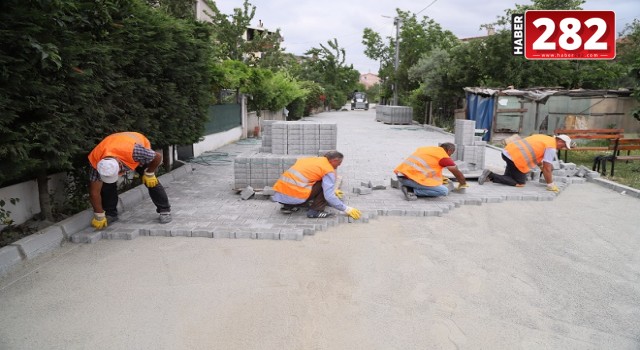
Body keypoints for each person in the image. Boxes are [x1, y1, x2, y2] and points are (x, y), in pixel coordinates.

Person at [88, 132, 172, 229]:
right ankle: (111, 214)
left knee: (151, 181)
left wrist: (150, 173)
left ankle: (164, 210)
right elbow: (94, 193)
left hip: (132, 149)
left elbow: (157, 157)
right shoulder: (96, 162)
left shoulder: (135, 151)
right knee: (107, 186)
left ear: (119, 165)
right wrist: (99, 214)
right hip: (114, 146)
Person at [272, 150, 362, 219]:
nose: (337, 167)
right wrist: (346, 209)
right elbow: (329, 196)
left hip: (280, 195)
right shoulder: (327, 169)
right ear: (334, 160)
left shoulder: (313, 160)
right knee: (325, 186)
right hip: (295, 196)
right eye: (338, 164)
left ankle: (288, 206)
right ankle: (315, 211)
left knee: (318, 181)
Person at [477, 134, 571, 193]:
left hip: (507, 152)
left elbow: (536, 153)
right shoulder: (551, 147)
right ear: (560, 141)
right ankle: (490, 175)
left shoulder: (545, 138)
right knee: (520, 183)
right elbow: (547, 167)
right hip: (516, 159)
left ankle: (503, 177)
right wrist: (550, 184)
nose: (563, 148)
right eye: (564, 145)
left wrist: (541, 166)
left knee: (509, 177)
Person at [394, 143, 468, 200]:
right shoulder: (443, 157)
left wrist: (441, 178)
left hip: (402, 175)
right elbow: (456, 172)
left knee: (436, 183)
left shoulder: (428, 149)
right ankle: (411, 190)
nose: (450, 156)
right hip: (409, 179)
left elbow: (427, 168)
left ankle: (410, 186)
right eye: (451, 154)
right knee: (443, 191)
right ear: (449, 151)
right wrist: (463, 183)